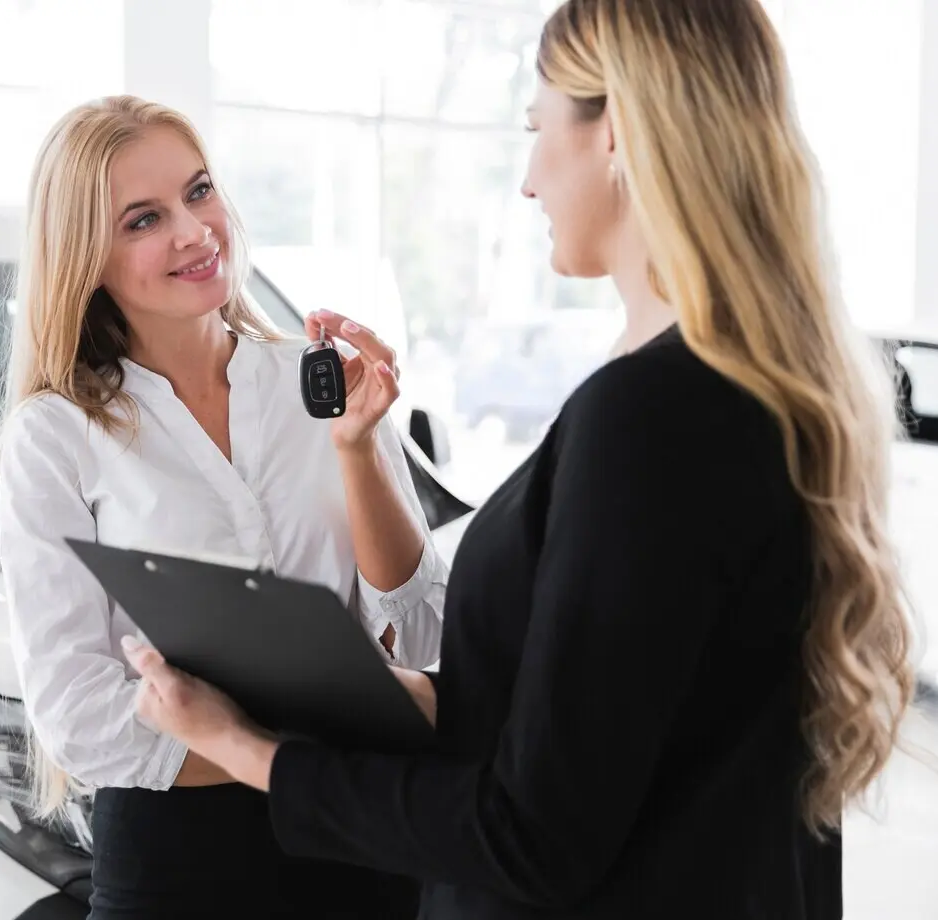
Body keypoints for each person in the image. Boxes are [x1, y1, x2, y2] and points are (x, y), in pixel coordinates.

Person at [122, 2, 919, 918]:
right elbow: (609, 724)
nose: (530, 181)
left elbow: (535, 834)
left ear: (615, 131)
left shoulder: (654, 416)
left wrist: (243, 746)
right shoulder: (740, 387)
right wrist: (378, 697)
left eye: (539, 131)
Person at [0, 95, 446, 919]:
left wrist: (358, 452)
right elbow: (78, 719)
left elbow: (420, 631)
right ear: (84, 255)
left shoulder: (320, 381)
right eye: (143, 219)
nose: (194, 232)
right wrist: (301, 751)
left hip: (367, 843)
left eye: (199, 192)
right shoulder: (56, 436)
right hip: (179, 866)